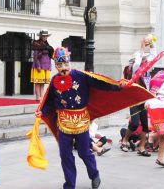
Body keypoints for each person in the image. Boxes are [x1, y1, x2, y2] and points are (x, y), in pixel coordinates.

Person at [32, 46, 154, 189]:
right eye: (59, 65)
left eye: (65, 64)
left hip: (81, 122)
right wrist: (43, 111)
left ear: (69, 62)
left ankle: (94, 174)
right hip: (63, 123)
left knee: (84, 153)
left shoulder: (81, 76)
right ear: (56, 66)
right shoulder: (54, 81)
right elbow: (51, 100)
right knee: (65, 156)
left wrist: (118, 86)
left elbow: (101, 84)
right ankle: (69, 184)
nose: (63, 68)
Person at [120, 35, 156, 157]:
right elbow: (138, 62)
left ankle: (141, 147)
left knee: (146, 125)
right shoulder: (135, 70)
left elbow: (153, 58)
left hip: (144, 99)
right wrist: (142, 48)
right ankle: (124, 140)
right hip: (134, 99)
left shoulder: (147, 70)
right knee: (135, 123)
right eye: (143, 60)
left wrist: (151, 46)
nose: (146, 62)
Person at [31, 29, 54, 101]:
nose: (45, 37)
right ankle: (38, 96)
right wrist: (38, 65)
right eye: (43, 36)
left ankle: (41, 96)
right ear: (41, 36)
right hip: (39, 65)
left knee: (43, 82)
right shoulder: (36, 44)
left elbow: (50, 56)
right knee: (38, 82)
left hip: (46, 66)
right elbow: (35, 56)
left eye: (46, 36)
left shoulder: (47, 45)